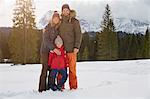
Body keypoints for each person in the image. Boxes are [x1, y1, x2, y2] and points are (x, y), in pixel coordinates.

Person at [59, 4, 82, 90]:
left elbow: (78, 34)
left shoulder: (74, 21)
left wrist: (77, 46)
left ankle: (73, 87)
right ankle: (60, 86)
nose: (65, 11)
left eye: (66, 10)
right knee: (61, 70)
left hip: (72, 50)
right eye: (63, 10)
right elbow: (52, 25)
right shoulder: (60, 21)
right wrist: (45, 28)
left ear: (69, 10)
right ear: (62, 11)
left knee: (72, 70)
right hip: (62, 51)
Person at [38, 11, 61, 92]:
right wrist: (54, 49)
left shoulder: (58, 28)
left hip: (52, 52)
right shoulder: (48, 27)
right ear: (52, 19)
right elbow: (46, 40)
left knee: (52, 69)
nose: (56, 19)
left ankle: (50, 87)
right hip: (45, 51)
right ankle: (42, 88)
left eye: (57, 18)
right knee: (45, 69)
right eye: (54, 18)